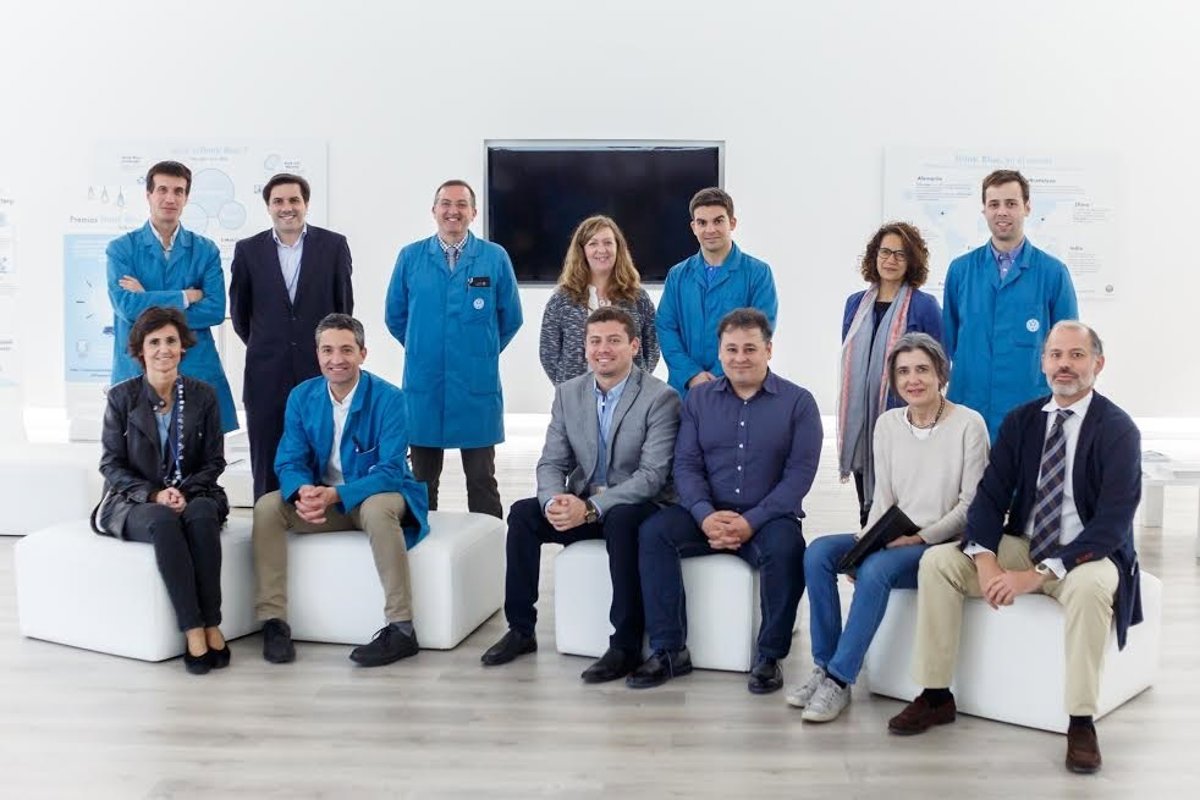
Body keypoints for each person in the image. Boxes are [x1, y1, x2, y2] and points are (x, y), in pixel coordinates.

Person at [888, 321, 1143, 776]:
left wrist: (1037, 576)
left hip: (1085, 555)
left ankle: (1081, 721)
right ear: (1043, 362)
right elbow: (988, 498)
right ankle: (936, 694)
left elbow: (1113, 523)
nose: (1064, 365)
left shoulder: (1118, 429)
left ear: (1098, 364)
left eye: (1077, 355)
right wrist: (985, 559)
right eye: (1056, 355)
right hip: (1024, 544)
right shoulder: (1023, 421)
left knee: (1090, 590)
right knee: (939, 562)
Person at [791, 333, 988, 722]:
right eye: (903, 372)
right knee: (818, 553)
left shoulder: (969, 424)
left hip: (940, 544)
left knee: (877, 570)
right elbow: (883, 498)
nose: (913, 380)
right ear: (894, 380)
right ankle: (824, 666)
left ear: (940, 374)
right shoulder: (888, 424)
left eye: (922, 370)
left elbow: (971, 506)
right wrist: (865, 545)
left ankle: (840, 678)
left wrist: (919, 538)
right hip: (895, 533)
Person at [483, 307, 681, 681]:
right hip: (583, 503)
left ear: (634, 346)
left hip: (637, 506)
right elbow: (551, 462)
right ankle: (521, 629)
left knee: (621, 520)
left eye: (613, 340)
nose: (603, 349)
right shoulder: (568, 393)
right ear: (585, 347)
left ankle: (624, 645)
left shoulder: (661, 397)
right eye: (595, 341)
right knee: (524, 514)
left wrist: (590, 508)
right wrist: (554, 501)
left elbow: (652, 477)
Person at [629, 308, 820, 694]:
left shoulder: (799, 403)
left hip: (768, 518)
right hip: (707, 512)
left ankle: (769, 656)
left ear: (769, 350)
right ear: (719, 352)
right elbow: (686, 465)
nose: (740, 358)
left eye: (750, 348)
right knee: (653, 533)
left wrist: (751, 521)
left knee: (788, 549)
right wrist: (704, 515)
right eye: (731, 349)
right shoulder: (698, 400)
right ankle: (669, 650)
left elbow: (798, 477)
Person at [251, 314, 430, 667]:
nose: (337, 359)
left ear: (363, 353)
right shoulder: (301, 397)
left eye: (347, 350)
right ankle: (274, 621)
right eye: (328, 350)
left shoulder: (390, 399)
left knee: (377, 509)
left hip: (378, 495)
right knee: (268, 507)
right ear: (317, 354)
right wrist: (302, 491)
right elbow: (289, 459)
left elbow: (391, 472)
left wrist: (336, 495)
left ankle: (402, 628)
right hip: (326, 500)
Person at [93, 306, 230, 674]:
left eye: (171, 341)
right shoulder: (121, 397)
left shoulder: (204, 395)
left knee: (202, 513)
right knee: (163, 521)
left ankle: (212, 622)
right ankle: (193, 629)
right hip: (134, 501)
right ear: (140, 350)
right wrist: (155, 495)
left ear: (182, 346)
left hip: (194, 492)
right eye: (154, 342)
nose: (164, 349)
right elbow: (110, 465)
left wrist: (186, 491)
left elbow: (214, 460)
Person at [385, 179, 522, 519]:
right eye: (446, 204)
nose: (453, 211)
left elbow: (511, 318)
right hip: (425, 384)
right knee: (421, 480)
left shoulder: (494, 257)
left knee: (482, 480)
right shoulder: (411, 257)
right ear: (434, 210)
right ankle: (421, 543)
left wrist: (480, 352)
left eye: (462, 205)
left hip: (476, 386)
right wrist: (424, 348)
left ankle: (489, 546)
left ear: (473, 212)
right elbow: (395, 316)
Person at [230, 173, 354, 500]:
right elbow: (241, 315)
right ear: (269, 207)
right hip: (265, 374)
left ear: (306, 204)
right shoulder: (248, 251)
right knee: (267, 459)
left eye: (294, 200)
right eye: (278, 201)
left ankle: (319, 524)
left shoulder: (333, 246)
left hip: (319, 372)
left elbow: (343, 311)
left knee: (321, 457)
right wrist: (270, 345)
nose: (287, 208)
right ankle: (268, 522)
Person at [943, 169, 1078, 441]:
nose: (1002, 212)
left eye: (1011, 203)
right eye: (994, 204)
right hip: (968, 408)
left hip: (1030, 410)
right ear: (984, 210)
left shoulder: (1053, 273)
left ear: (1027, 208)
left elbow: (1069, 349)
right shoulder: (960, 270)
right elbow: (948, 342)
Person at [106, 160, 237, 433]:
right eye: (162, 190)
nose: (170, 198)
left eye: (178, 191)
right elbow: (127, 306)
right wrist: (185, 296)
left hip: (194, 365)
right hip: (138, 367)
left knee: (200, 451)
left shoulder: (205, 250)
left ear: (186, 197)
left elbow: (215, 310)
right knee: (139, 449)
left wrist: (147, 298)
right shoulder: (121, 249)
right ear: (148, 195)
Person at [838, 222, 945, 527]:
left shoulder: (924, 306)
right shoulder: (855, 304)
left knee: (900, 505)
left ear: (912, 261)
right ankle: (868, 542)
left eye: (900, 254)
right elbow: (849, 361)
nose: (891, 260)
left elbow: (940, 364)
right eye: (885, 252)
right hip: (861, 419)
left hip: (904, 419)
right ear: (874, 256)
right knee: (867, 512)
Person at [656, 187, 778, 397]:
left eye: (718, 221)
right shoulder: (677, 275)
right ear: (693, 227)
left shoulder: (757, 273)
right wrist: (692, 374)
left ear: (732, 223)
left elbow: (760, 330)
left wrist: (719, 375)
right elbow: (666, 327)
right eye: (702, 223)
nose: (710, 229)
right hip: (686, 389)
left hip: (737, 388)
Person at [538, 215, 659, 385]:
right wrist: (568, 389)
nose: (601, 250)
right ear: (582, 250)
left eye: (608, 243)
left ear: (618, 248)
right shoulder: (562, 299)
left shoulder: (638, 297)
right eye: (593, 243)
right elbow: (548, 353)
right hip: (577, 396)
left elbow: (652, 348)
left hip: (630, 395)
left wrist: (637, 384)